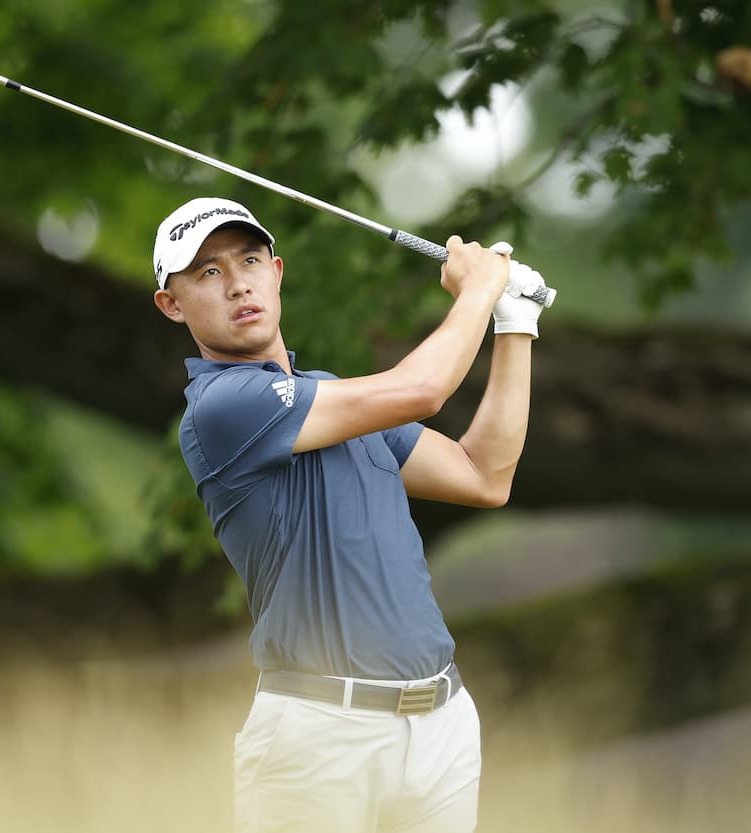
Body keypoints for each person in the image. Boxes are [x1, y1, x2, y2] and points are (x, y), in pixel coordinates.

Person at [151, 196, 547, 833]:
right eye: (208, 273)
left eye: (249, 261)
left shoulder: (336, 397)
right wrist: (478, 290)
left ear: (277, 272)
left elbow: (484, 475)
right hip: (318, 737)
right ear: (172, 304)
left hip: (440, 722)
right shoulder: (222, 407)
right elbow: (424, 388)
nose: (238, 284)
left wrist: (514, 324)